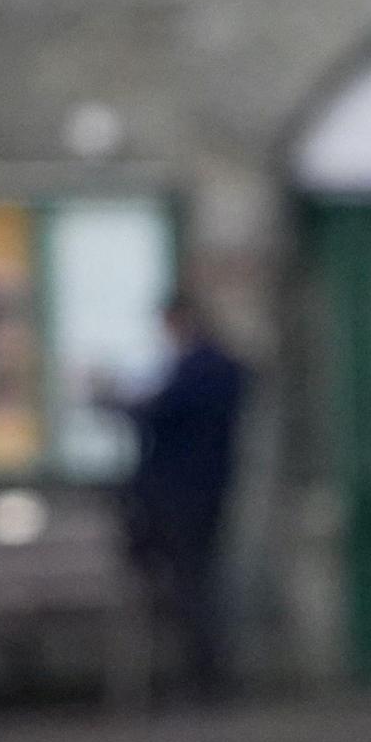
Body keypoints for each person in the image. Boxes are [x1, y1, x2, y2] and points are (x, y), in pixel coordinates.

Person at [105, 290, 248, 700]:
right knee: (199, 580)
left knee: (190, 583)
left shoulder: (197, 368)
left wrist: (122, 404)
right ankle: (207, 673)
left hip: (179, 494)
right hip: (206, 489)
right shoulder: (219, 367)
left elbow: (161, 412)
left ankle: (204, 676)